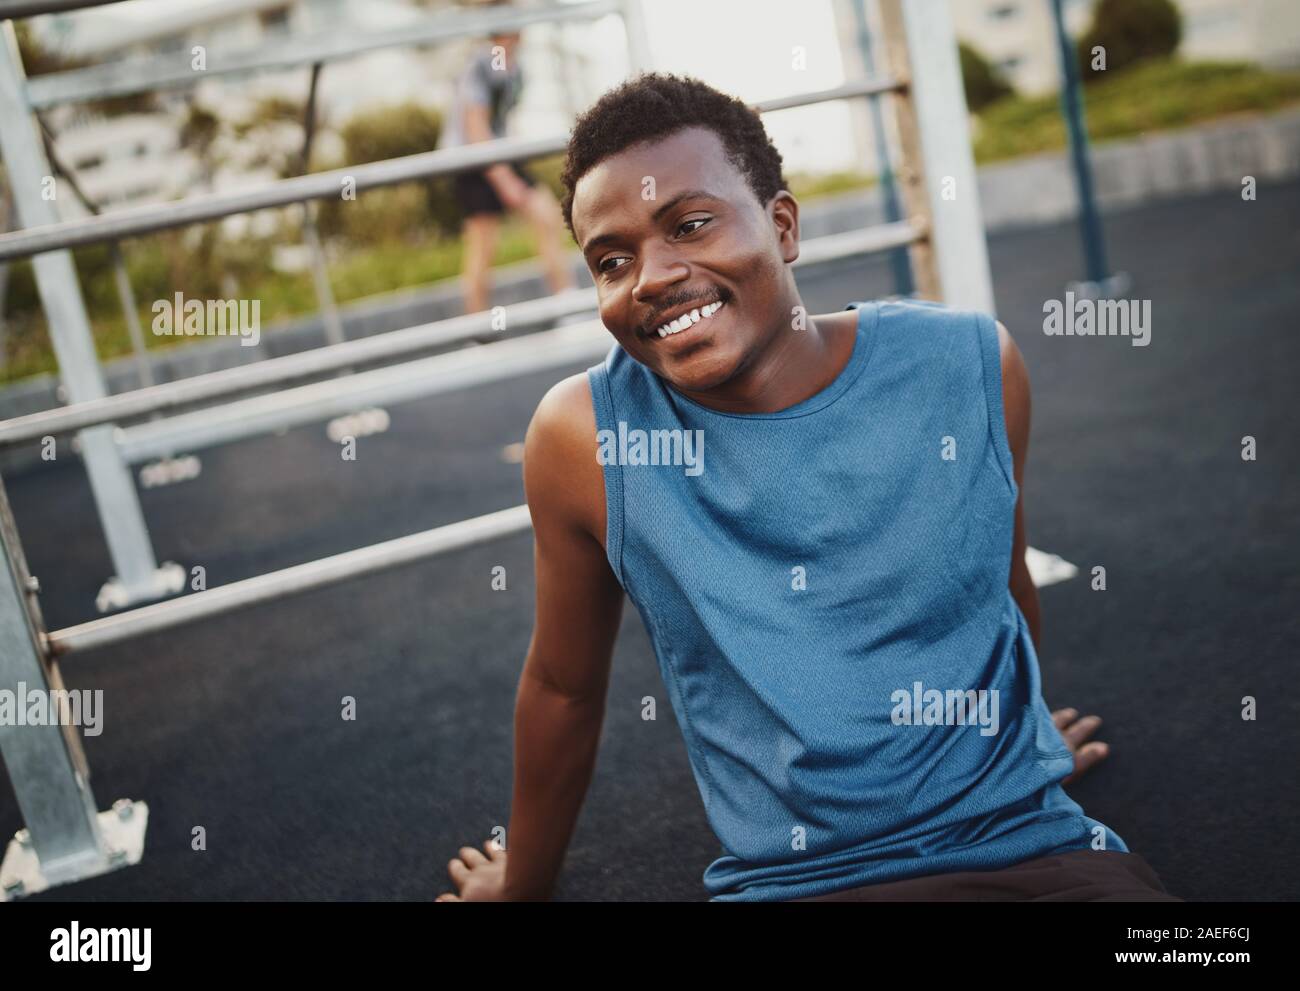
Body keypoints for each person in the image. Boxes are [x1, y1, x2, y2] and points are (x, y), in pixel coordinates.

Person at [436, 73, 1180, 902]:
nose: (651, 275)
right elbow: (563, 686)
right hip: (799, 883)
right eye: (612, 260)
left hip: (1028, 850)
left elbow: (998, 591)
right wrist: (520, 887)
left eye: (690, 224)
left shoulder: (965, 364)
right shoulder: (585, 436)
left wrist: (1021, 740)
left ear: (782, 225)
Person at [440, 10, 575, 315]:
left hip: (498, 152)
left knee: (546, 216)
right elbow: (475, 126)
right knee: (483, 244)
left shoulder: (515, 69)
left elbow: (502, 120)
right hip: (473, 161)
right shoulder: (480, 62)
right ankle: (477, 330)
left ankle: (565, 302)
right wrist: (504, 180)